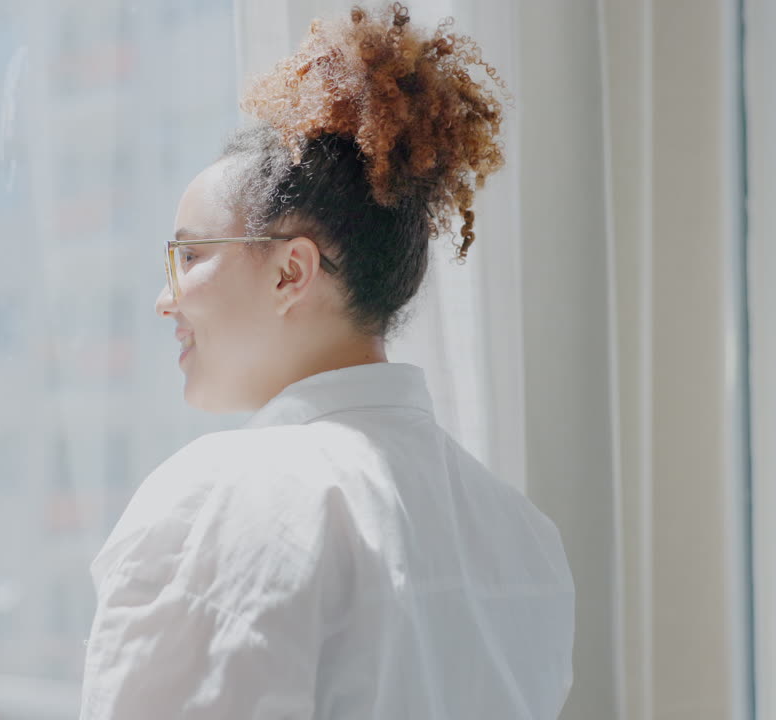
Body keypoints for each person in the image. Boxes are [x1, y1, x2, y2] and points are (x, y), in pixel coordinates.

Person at [78, 3, 575, 718]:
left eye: (189, 255)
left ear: (291, 273)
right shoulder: (523, 538)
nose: (167, 299)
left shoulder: (224, 500)